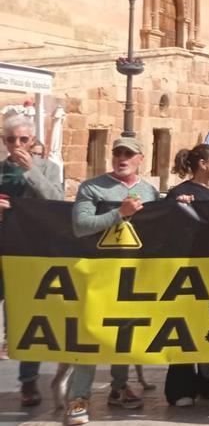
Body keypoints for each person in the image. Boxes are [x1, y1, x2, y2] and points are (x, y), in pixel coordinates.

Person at [65, 137, 160, 426]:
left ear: (140, 159)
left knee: (125, 332)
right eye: (118, 152)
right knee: (90, 334)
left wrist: (180, 204)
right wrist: (120, 214)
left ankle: (119, 388)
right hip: (96, 272)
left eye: (129, 154)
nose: (122, 157)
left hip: (132, 274)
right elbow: (81, 226)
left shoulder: (150, 191)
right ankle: (78, 398)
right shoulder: (92, 187)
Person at [161, 144, 209, 407]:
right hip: (188, 271)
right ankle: (180, 388)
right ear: (202, 163)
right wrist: (177, 208)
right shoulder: (180, 193)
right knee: (185, 329)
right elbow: (168, 230)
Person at [1, 114, 63, 407]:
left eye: (23, 139)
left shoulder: (48, 169)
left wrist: (31, 172)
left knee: (29, 317)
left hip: (29, 252)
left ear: (33, 141)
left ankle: (28, 382)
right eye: (11, 139)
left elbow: (57, 202)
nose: (17, 145)